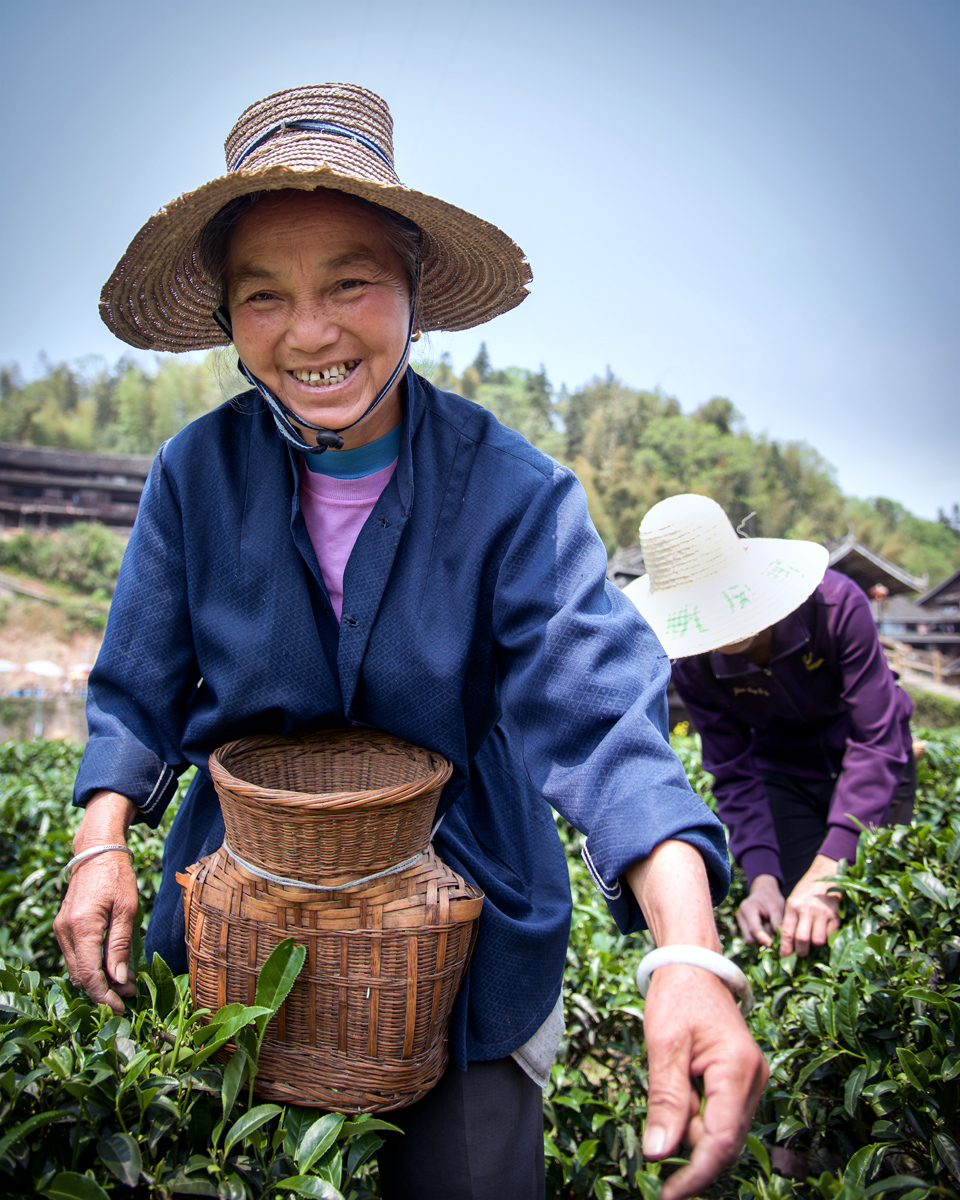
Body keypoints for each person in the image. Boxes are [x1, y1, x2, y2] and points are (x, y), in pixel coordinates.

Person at [54, 84, 766, 1200]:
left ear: (417, 295)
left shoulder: (516, 494)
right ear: (227, 321)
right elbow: (136, 692)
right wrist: (104, 844)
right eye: (265, 296)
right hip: (250, 919)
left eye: (351, 283)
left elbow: (598, 720)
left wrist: (686, 952)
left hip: (468, 924)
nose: (311, 330)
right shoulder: (194, 477)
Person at [625, 493, 915, 958]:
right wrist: (762, 878)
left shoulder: (836, 605)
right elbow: (734, 769)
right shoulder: (693, 665)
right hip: (785, 773)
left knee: (886, 917)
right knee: (804, 933)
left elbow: (877, 739)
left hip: (878, 764)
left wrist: (830, 868)